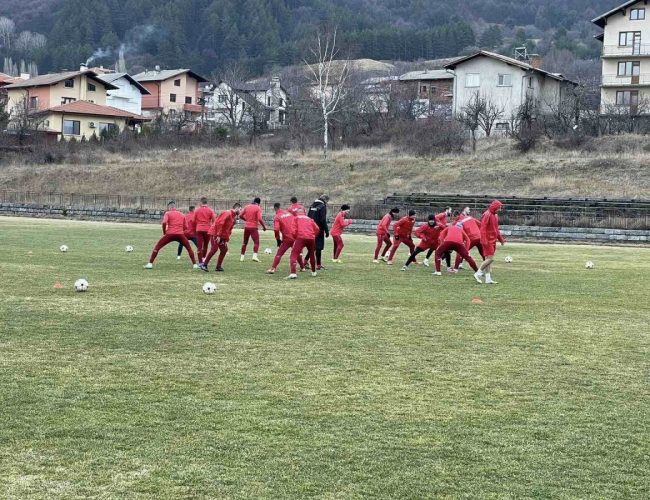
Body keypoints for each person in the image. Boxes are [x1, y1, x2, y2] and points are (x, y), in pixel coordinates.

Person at [145, 201, 197, 269]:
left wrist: (164, 232)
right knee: (189, 248)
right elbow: (186, 227)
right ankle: (195, 265)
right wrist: (180, 230)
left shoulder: (168, 213)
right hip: (180, 235)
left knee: (157, 247)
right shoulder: (182, 214)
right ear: (175, 207)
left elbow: (164, 222)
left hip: (169, 234)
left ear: (169, 207)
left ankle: (150, 264)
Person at [200, 203, 241, 272]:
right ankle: (204, 264)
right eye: (240, 209)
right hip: (215, 233)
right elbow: (220, 223)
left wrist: (225, 239)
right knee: (214, 248)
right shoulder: (227, 213)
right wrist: (218, 235)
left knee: (224, 249)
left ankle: (218, 267)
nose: (241, 211)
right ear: (236, 208)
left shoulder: (233, 218)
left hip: (221, 235)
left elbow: (228, 230)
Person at [267, 203, 304, 274]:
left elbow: (276, 229)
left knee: (279, 253)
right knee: (296, 252)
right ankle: (302, 268)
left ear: (275, 208)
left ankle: (273, 268)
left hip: (287, 238)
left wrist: (277, 239)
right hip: (295, 235)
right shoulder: (288, 213)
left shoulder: (277, 217)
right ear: (280, 207)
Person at [474, 200, 505, 285]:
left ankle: (488, 279)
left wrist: (500, 239)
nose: (500, 209)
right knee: (491, 259)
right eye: (499, 207)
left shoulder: (495, 215)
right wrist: (483, 240)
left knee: (488, 259)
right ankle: (478, 273)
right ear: (495, 207)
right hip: (487, 240)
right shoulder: (487, 214)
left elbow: (496, 229)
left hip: (493, 240)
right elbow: (482, 228)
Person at [288, 213, 320, 279]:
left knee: (294, 254)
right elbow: (317, 229)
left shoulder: (296, 218)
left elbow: (293, 230)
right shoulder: (310, 219)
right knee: (311, 254)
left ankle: (293, 273)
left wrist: (295, 237)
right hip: (311, 238)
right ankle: (313, 272)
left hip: (300, 237)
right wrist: (313, 235)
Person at [240, 197, 267, 262]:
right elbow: (260, 219)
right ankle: (254, 256)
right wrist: (264, 227)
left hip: (246, 227)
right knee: (256, 242)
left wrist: (246, 220)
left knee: (245, 242)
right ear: (259, 203)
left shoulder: (247, 207)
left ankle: (242, 258)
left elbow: (240, 215)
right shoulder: (258, 208)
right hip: (253, 227)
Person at [307, 195, 329, 270]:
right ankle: (318, 264)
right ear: (325, 200)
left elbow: (308, 217)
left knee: (312, 246)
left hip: (311, 228)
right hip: (319, 229)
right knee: (318, 247)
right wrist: (326, 230)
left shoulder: (312, 205)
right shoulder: (322, 206)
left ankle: (305, 261)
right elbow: (323, 219)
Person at [193, 197, 216, 264]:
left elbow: (194, 220)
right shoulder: (210, 210)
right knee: (206, 245)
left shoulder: (197, 210)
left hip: (199, 229)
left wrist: (198, 224)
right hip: (207, 229)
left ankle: (200, 262)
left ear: (201, 202)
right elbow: (214, 221)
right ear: (206, 203)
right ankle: (203, 258)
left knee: (199, 246)